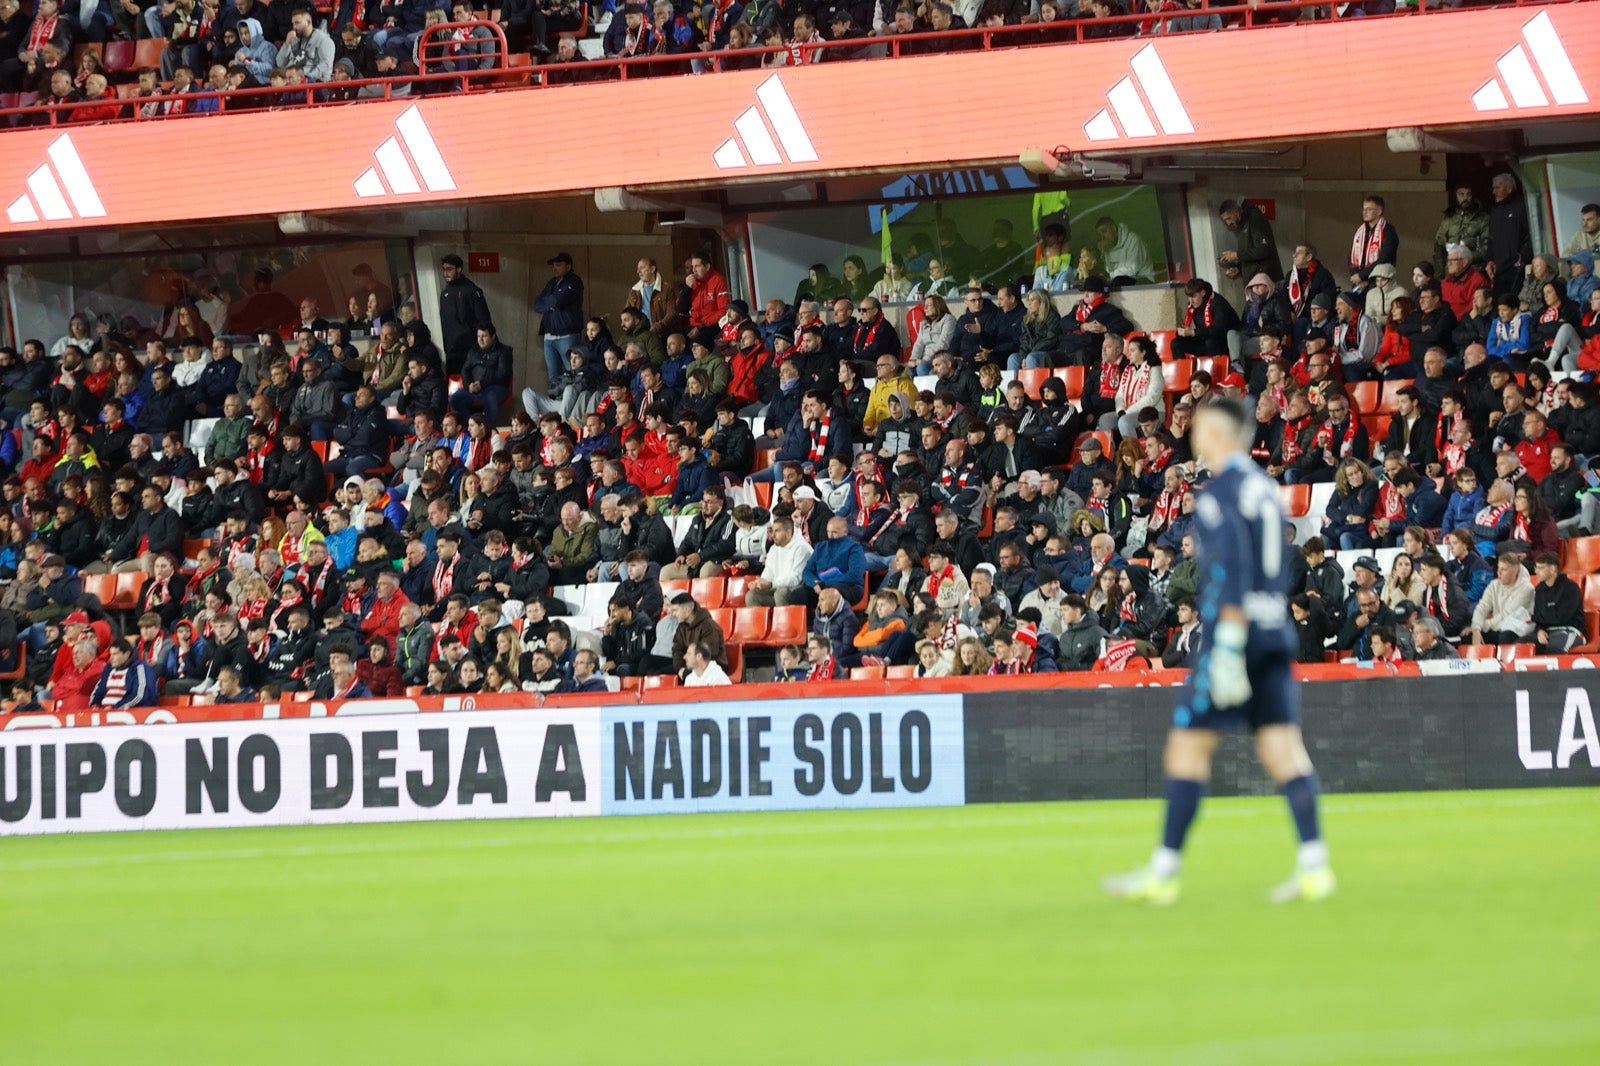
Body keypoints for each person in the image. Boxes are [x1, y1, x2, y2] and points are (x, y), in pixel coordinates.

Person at [1105, 396, 1333, 905]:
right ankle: (1315, 865)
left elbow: (1230, 574)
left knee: (1188, 747)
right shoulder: (1262, 487)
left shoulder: (1219, 494)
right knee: (1282, 748)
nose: (1193, 434)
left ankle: (1163, 873)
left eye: (1202, 427)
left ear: (1221, 433)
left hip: (1238, 636)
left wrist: (1226, 647)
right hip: (1274, 632)